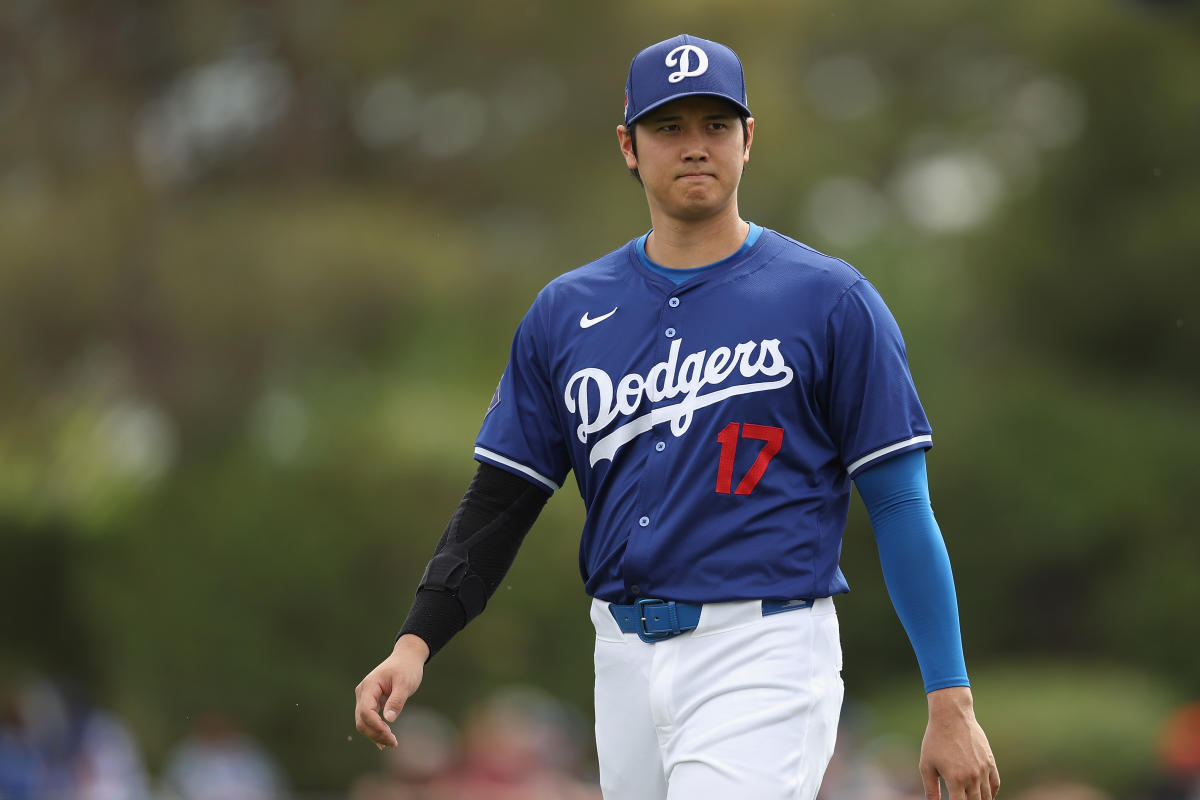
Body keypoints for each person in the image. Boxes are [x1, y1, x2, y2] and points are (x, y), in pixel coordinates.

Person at [355, 33, 1000, 800]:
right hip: (621, 657)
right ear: (629, 147)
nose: (695, 146)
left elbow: (899, 503)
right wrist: (416, 641)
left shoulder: (831, 300)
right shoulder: (567, 311)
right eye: (669, 127)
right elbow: (502, 500)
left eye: (715, 126)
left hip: (763, 647)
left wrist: (949, 697)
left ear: (748, 140)